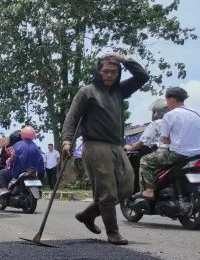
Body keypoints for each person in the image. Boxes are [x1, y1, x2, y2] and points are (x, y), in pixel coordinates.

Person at [61, 53, 149, 245]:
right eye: (105, 71)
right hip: (95, 146)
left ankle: (88, 214)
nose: (109, 75)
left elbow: (143, 76)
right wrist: (67, 141)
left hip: (116, 145)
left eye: (114, 72)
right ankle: (113, 233)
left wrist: (123, 59)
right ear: (98, 72)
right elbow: (72, 117)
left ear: (118, 73)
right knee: (107, 192)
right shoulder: (87, 91)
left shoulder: (119, 91)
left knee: (127, 186)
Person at [139, 87, 200, 200]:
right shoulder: (197, 112)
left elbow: (165, 139)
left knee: (145, 161)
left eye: (167, 101)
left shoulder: (170, 115)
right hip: (197, 154)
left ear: (172, 99)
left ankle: (149, 190)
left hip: (178, 154)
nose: (167, 104)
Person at [0, 126, 45, 193]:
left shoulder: (17, 145)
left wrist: (10, 160)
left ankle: (5, 191)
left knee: (1, 173)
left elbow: (12, 158)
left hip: (20, 170)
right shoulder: (36, 146)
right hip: (36, 171)